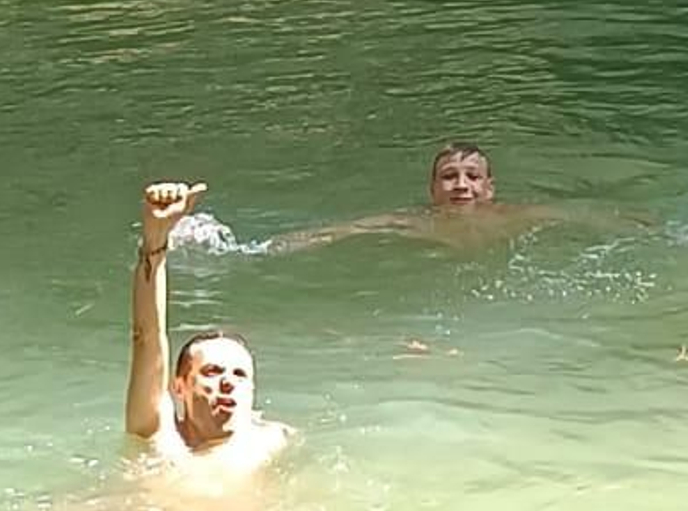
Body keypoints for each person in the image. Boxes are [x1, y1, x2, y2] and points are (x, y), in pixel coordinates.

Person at [129, 180, 291, 471]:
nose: (228, 383)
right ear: (179, 388)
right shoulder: (162, 440)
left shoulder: (269, 440)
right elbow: (147, 338)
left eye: (240, 375)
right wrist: (155, 239)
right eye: (212, 372)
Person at [267, 142, 561, 252]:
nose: (461, 185)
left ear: (489, 188)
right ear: (432, 190)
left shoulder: (514, 215)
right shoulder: (415, 221)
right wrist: (285, 244)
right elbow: (351, 228)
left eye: (472, 177)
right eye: (448, 177)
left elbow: (577, 215)